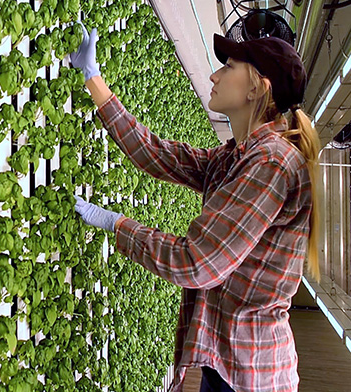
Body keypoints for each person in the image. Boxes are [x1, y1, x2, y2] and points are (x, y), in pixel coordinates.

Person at [69, 23, 322, 392]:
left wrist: (115, 224)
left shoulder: (272, 164)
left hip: (250, 376)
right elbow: (158, 155)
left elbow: (196, 263)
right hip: (228, 365)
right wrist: (93, 79)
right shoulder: (236, 156)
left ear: (257, 88)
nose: (214, 74)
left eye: (229, 66)